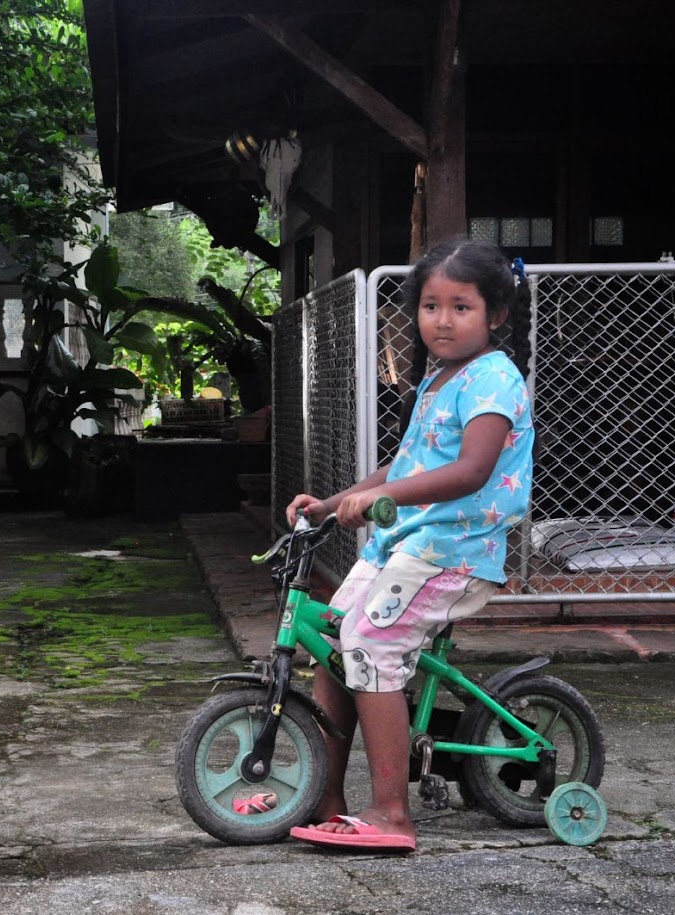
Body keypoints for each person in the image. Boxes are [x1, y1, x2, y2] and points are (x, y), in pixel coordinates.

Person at [283, 236, 535, 852]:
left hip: (454, 554)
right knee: (333, 636)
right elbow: (402, 469)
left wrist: (376, 502)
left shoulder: (493, 380)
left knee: (368, 641)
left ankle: (392, 813)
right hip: (406, 547)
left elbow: (472, 471)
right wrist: (335, 500)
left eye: (460, 306)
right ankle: (326, 796)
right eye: (429, 306)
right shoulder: (437, 379)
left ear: (495, 315)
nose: (442, 320)